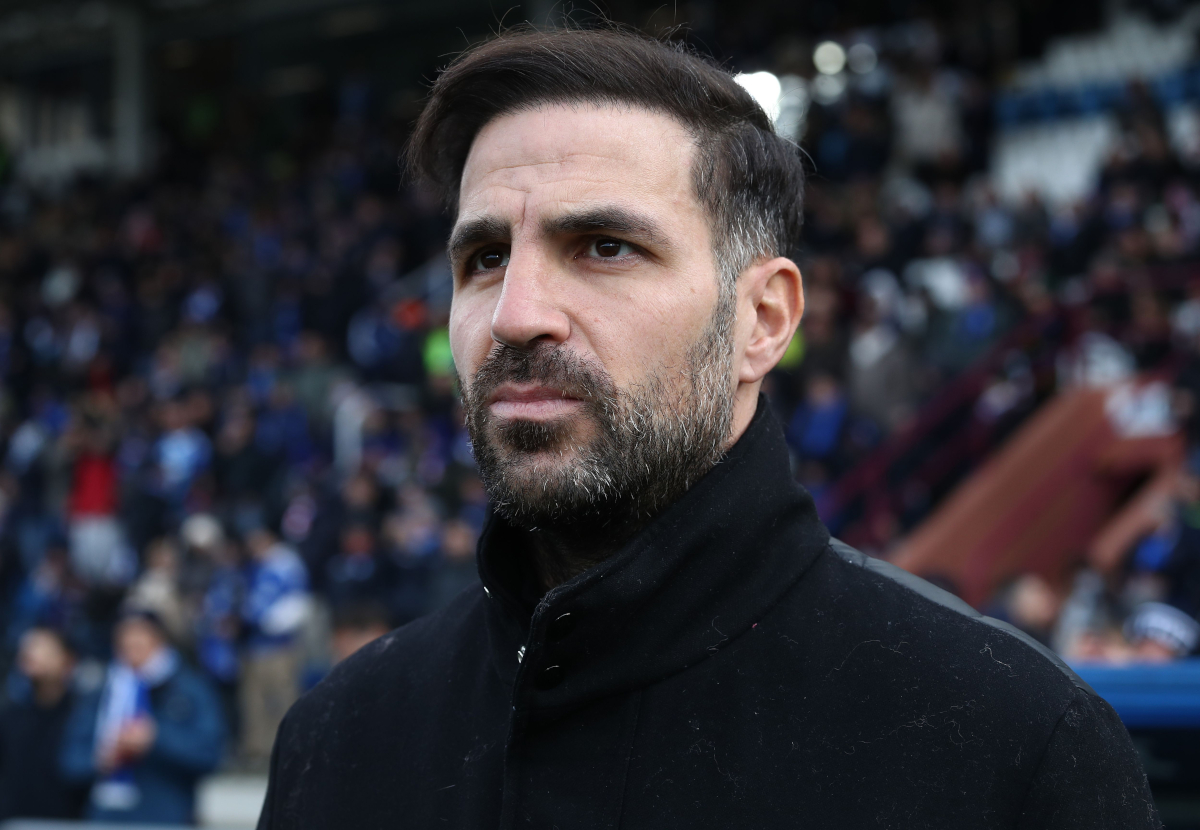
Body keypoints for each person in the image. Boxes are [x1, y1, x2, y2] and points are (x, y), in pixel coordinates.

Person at [258, 27, 1158, 829]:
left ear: (762, 320)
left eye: (605, 246)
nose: (516, 314)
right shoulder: (341, 738)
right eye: (485, 257)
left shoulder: (1016, 743)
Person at [61, 609, 224, 825]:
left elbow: (210, 753)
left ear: (160, 641)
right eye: (124, 641)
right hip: (107, 817)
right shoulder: (102, 691)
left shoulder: (190, 689)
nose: (132, 648)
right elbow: (70, 760)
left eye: (140, 640)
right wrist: (101, 758)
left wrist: (155, 738)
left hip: (167, 817)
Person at [0, 626, 87, 821]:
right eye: (28, 648)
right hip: (13, 820)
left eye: (43, 648)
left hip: (65, 821)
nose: (31, 654)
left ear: (68, 661)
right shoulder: (10, 716)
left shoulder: (82, 715)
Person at [239, 526, 309, 766]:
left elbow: (298, 605)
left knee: (282, 698)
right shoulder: (256, 566)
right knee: (254, 700)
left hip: (279, 646)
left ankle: (286, 749)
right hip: (255, 645)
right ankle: (259, 751)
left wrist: (266, 622)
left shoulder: (287, 564)